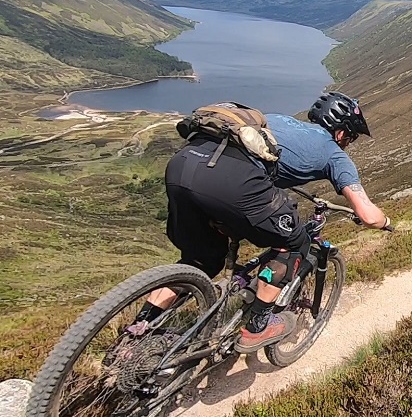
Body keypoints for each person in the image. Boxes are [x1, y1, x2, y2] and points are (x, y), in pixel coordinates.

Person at [136, 92, 390, 353]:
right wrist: (385, 222)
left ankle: (135, 335)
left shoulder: (277, 120)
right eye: (351, 136)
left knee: (199, 261)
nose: (349, 142)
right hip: (234, 181)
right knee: (294, 243)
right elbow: (369, 215)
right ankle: (258, 326)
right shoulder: (335, 155)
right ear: (340, 132)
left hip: (183, 165)